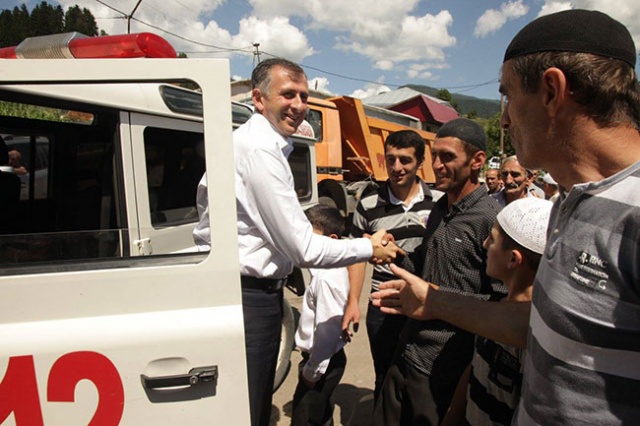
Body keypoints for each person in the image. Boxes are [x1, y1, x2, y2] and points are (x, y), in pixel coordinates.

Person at [373, 9, 640, 425]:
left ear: (552, 91)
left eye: (508, 96)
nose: (503, 119)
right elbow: (534, 324)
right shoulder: (572, 202)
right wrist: (434, 300)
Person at [192, 58, 403, 426]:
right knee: (249, 407)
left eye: (304, 95)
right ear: (258, 99)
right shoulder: (260, 149)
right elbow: (305, 248)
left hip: (250, 292)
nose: (299, 104)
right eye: (288, 94)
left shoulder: (257, 144)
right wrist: (369, 247)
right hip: (247, 296)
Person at [373, 118, 503, 426]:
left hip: (443, 368)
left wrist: (436, 301)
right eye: (434, 156)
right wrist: (393, 255)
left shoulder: (491, 221)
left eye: (447, 157)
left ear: (477, 161)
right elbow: (422, 264)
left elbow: (502, 304)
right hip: (406, 352)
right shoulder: (441, 208)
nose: (436, 165)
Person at [343, 130, 438, 403]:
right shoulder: (369, 202)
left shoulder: (438, 202)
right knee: (384, 374)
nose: (396, 168)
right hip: (383, 305)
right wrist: (353, 303)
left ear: (421, 162)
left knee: (421, 378)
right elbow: (357, 257)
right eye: (391, 159)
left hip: (424, 304)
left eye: (405, 160)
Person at [443, 197, 552, 426]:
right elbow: (474, 368)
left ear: (513, 259)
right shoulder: (496, 311)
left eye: (491, 239)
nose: (484, 245)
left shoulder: (531, 340)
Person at [292, 204, 350, 426]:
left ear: (332, 239)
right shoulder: (326, 270)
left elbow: (326, 333)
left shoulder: (326, 278)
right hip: (325, 360)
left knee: (304, 417)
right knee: (321, 413)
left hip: (322, 362)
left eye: (311, 237)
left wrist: (311, 372)